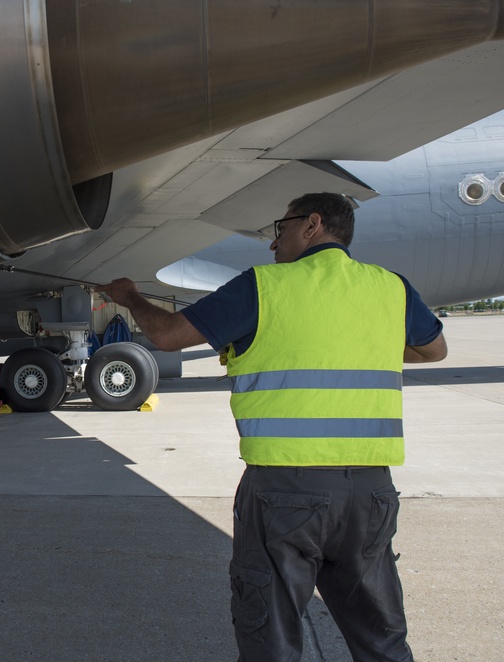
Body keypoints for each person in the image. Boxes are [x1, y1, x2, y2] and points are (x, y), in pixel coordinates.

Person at [96, 193, 447, 661]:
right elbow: (434, 350)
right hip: (369, 492)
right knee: (381, 641)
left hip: (285, 491)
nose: (273, 243)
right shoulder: (390, 287)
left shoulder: (264, 287)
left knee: (272, 644)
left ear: (312, 225)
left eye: (280, 228)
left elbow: (167, 336)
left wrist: (130, 297)